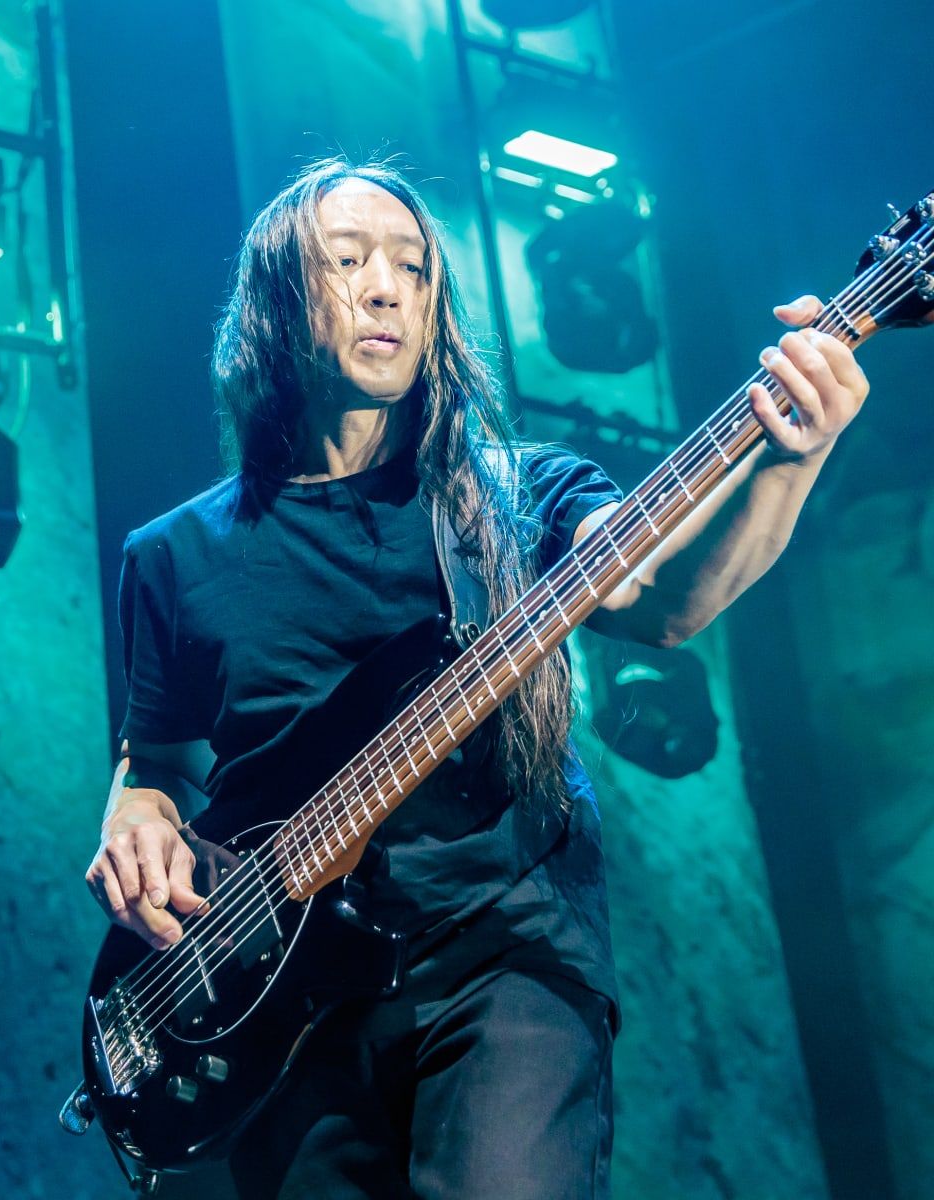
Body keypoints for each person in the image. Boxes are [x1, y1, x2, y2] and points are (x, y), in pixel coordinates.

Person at [85, 158, 867, 1199]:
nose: (386, 288)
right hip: (277, 997)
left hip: (502, 962)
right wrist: (134, 806)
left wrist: (790, 458)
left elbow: (668, 600)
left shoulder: (516, 494)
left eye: (413, 268)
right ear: (272, 299)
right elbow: (164, 754)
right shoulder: (172, 554)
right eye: (349, 261)